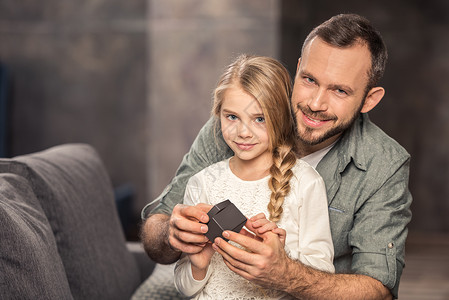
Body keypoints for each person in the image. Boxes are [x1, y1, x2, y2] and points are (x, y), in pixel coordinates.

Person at [140, 13, 412, 299]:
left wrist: (284, 274)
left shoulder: (384, 164)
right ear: (298, 68)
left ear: (369, 99)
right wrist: (173, 235)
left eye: (340, 91)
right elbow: (156, 231)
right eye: (309, 79)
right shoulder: (234, 123)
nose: (315, 103)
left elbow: (378, 289)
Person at [173, 54, 335, 299]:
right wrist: (198, 264)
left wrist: (283, 263)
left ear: (280, 119)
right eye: (232, 117)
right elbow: (185, 288)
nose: (243, 132)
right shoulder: (203, 183)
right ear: (218, 115)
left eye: (259, 119)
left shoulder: (306, 183)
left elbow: (322, 276)